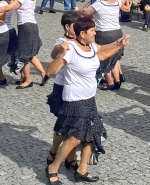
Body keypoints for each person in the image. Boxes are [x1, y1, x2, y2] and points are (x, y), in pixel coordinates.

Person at [45, 17, 130, 184]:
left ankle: (82, 169)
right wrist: (61, 53)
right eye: (92, 30)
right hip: (75, 100)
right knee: (75, 137)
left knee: (92, 133)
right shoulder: (70, 49)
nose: (95, 33)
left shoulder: (90, 46)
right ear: (82, 33)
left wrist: (119, 45)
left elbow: (102, 55)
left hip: (90, 99)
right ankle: (53, 167)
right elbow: (50, 71)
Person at [45, 12, 79, 171]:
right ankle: (64, 155)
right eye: (76, 26)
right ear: (67, 27)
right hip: (62, 88)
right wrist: (60, 49)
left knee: (72, 125)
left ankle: (57, 152)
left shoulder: (81, 40)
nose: (79, 29)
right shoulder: (62, 41)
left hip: (78, 89)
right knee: (65, 124)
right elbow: (53, 55)